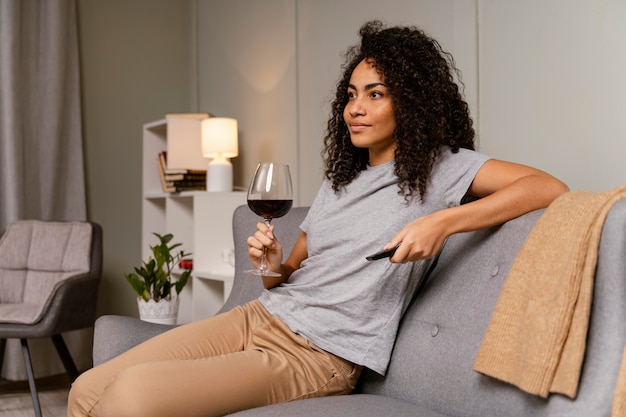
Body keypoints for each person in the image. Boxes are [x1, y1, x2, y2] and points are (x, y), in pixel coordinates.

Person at [67, 20, 568, 417]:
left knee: (128, 399)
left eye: (376, 93)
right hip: (260, 318)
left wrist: (442, 223)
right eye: (351, 94)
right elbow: (285, 277)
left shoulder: (442, 168)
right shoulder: (341, 181)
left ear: (411, 103)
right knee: (88, 388)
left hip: (316, 356)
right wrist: (271, 263)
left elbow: (548, 188)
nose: (356, 107)